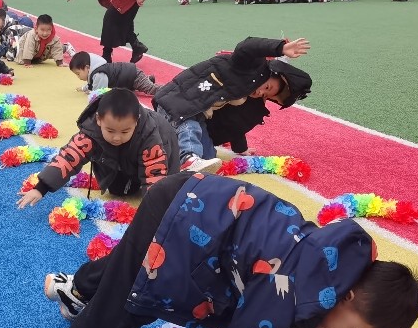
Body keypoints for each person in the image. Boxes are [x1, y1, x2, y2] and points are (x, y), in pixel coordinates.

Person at [26, 170, 418, 328]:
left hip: (192, 198)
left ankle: (75, 290)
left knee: (129, 263)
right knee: (137, 296)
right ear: (349, 296)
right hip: (185, 221)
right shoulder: (289, 291)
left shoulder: (335, 266)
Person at [153, 37, 310, 173]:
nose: (261, 92)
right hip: (176, 102)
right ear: (271, 72)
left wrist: (241, 148)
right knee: (189, 128)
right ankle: (188, 158)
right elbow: (247, 46)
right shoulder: (246, 66)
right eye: (267, 87)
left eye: (266, 95)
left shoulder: (245, 95)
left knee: (209, 158)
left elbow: (235, 124)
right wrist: (280, 48)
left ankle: (174, 153)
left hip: (196, 114)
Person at [19, 88, 178, 208]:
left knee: (167, 195)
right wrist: (40, 188)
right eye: (110, 131)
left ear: (136, 122)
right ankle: (130, 173)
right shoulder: (90, 133)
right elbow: (69, 157)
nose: (117, 137)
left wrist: (155, 208)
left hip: (165, 149)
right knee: (119, 191)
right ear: (98, 120)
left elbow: (155, 172)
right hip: (127, 154)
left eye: (124, 131)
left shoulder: (150, 137)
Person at [69, 51, 159, 95]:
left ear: (87, 68)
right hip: (128, 78)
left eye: (78, 73)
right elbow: (91, 85)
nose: (78, 77)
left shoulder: (98, 74)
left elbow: (100, 92)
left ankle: (166, 90)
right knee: (141, 85)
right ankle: (147, 79)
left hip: (133, 76)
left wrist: (91, 94)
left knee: (152, 90)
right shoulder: (94, 72)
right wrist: (83, 88)